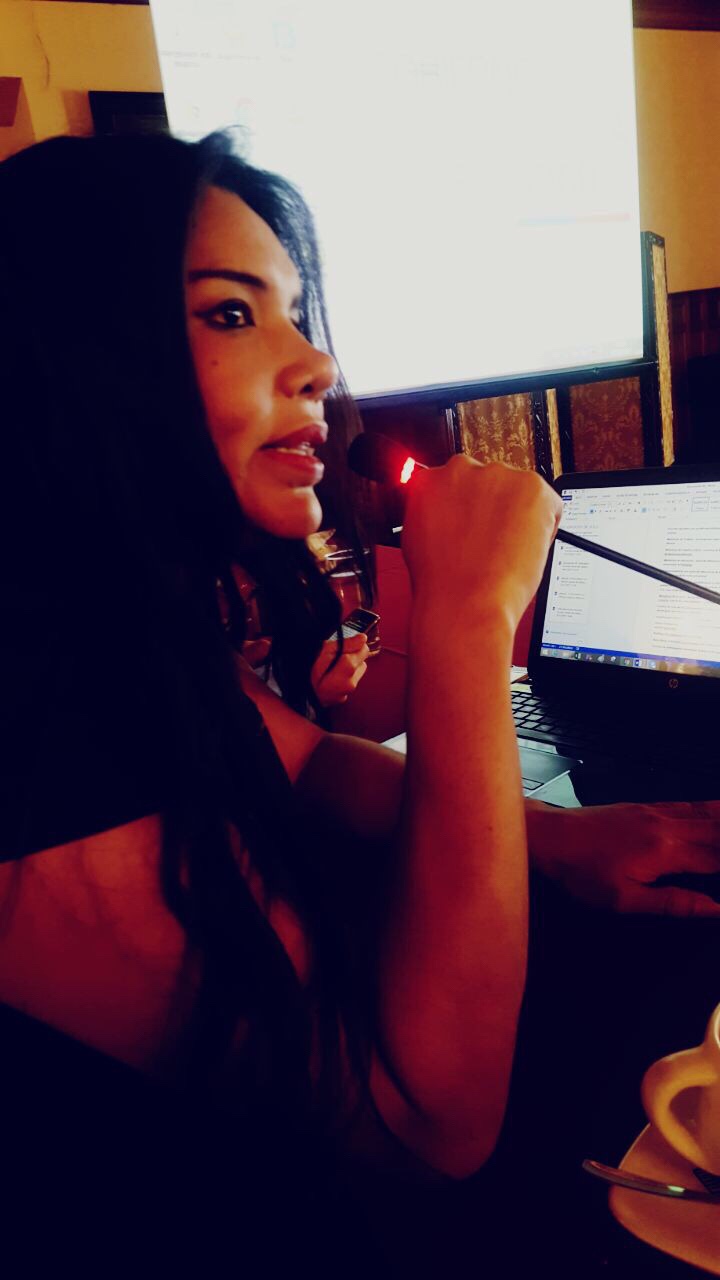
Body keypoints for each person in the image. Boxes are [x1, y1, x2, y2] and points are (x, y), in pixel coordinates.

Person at [2, 132, 720, 1269]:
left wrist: (551, 837)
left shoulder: (112, 608)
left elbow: (307, 759)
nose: (318, 363)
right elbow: (425, 1121)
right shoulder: (33, 700)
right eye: (231, 313)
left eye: (295, 313)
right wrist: (469, 620)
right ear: (68, 357)